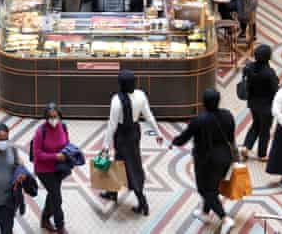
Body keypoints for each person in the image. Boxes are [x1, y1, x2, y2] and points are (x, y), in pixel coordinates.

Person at [172, 88, 236, 234]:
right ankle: (205, 213)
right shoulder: (228, 115)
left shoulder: (199, 120)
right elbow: (231, 138)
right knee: (213, 186)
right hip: (225, 157)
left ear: (204, 102)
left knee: (205, 190)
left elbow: (184, 137)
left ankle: (225, 218)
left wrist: (173, 142)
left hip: (206, 161)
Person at [101, 70, 162, 214]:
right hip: (134, 133)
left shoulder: (116, 100)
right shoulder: (141, 95)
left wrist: (105, 145)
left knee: (130, 168)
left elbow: (112, 124)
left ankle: (143, 202)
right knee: (123, 162)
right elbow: (148, 115)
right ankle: (112, 192)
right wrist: (158, 133)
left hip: (122, 135)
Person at [32, 103, 71, 233]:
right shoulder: (40, 131)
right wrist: (55, 156)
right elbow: (37, 154)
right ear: (46, 117)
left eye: (56, 116)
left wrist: (67, 155)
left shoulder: (63, 127)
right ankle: (60, 226)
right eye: (50, 117)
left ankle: (45, 219)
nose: (53, 120)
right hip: (43, 170)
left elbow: (67, 144)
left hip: (59, 169)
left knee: (53, 194)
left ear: (59, 116)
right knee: (57, 197)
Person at [242, 44, 278, 160]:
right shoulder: (269, 73)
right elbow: (275, 90)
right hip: (266, 106)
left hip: (253, 102)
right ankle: (262, 154)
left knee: (255, 125)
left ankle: (246, 147)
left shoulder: (249, 67)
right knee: (265, 130)